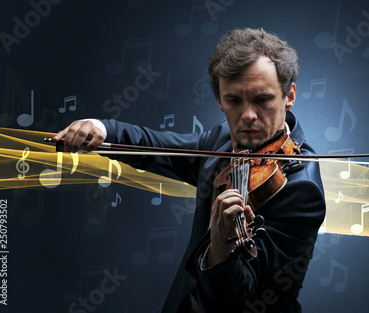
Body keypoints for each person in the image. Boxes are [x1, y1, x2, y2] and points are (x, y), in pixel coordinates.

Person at [54, 28, 326, 313]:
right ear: (220, 100)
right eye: (233, 100)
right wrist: (101, 128)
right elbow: (155, 147)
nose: (247, 115)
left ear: (289, 95)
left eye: (262, 99)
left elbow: (237, 295)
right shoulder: (222, 139)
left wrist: (221, 249)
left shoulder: (301, 189)